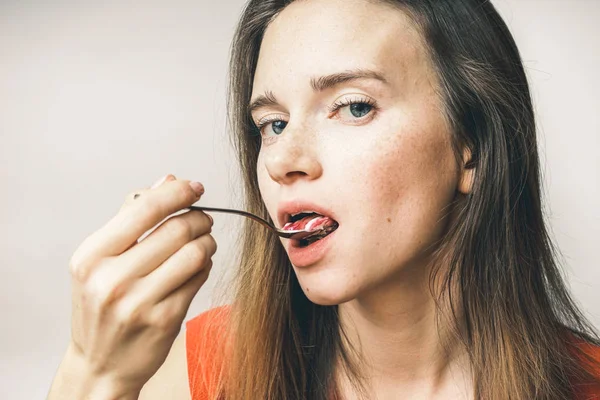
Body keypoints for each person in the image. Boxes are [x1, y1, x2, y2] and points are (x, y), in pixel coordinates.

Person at [47, 0, 600, 399]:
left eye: (354, 107)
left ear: (470, 152)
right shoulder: (202, 370)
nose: (285, 157)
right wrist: (94, 377)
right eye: (273, 123)